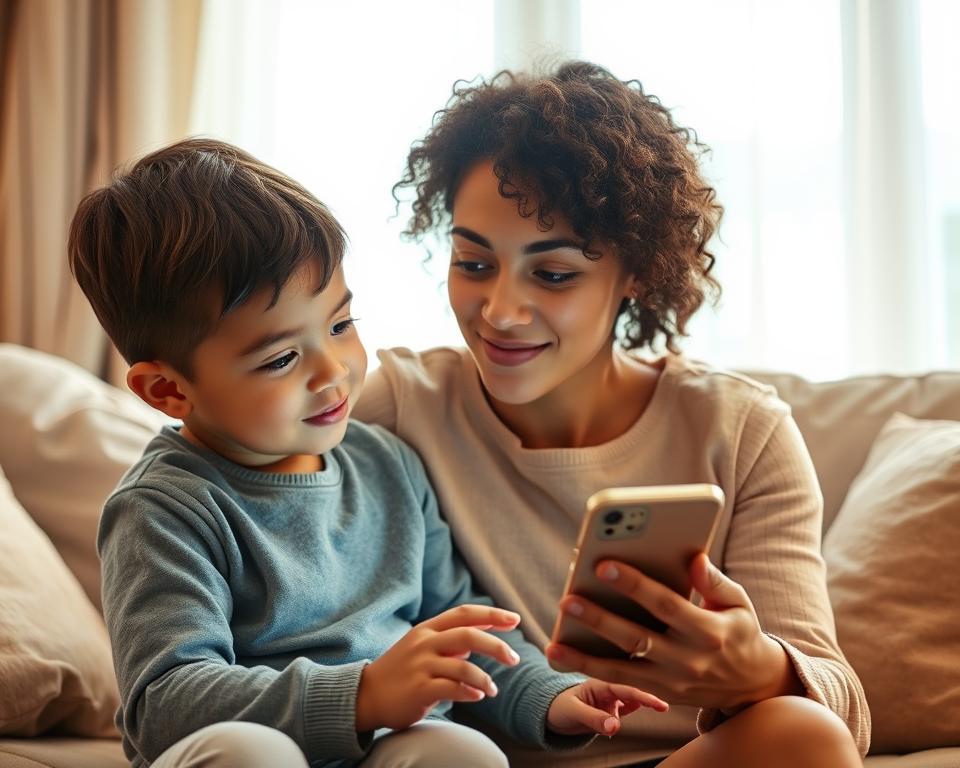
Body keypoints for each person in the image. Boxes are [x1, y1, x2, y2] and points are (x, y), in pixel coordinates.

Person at [66, 138, 669, 768]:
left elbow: (462, 634)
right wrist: (364, 695)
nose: (334, 372)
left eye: (339, 326)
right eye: (279, 359)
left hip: (386, 748)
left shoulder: (389, 466)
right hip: (250, 748)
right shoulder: (165, 509)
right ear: (168, 390)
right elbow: (164, 701)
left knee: (460, 751)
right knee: (251, 754)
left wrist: (552, 698)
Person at [352, 61, 871, 767]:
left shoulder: (741, 429)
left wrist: (760, 670)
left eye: (554, 273)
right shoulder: (398, 406)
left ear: (635, 273)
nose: (500, 312)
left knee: (803, 735)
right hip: (471, 759)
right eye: (473, 264)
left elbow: (845, 716)